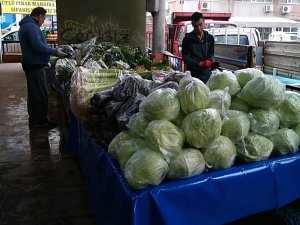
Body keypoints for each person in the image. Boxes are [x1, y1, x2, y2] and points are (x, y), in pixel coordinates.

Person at [18, 7, 66, 128]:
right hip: (35, 64)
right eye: (44, 18)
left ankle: (34, 118)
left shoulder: (27, 25)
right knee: (41, 94)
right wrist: (55, 51)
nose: (44, 20)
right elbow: (37, 46)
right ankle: (41, 121)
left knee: (33, 93)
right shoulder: (31, 27)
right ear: (39, 16)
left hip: (30, 63)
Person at [182, 12, 215, 83]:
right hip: (193, 75)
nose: (199, 28)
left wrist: (209, 60)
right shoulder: (187, 39)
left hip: (206, 74)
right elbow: (185, 57)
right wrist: (199, 64)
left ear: (204, 22)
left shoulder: (210, 38)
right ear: (192, 25)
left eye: (200, 25)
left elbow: (211, 53)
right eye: (196, 26)